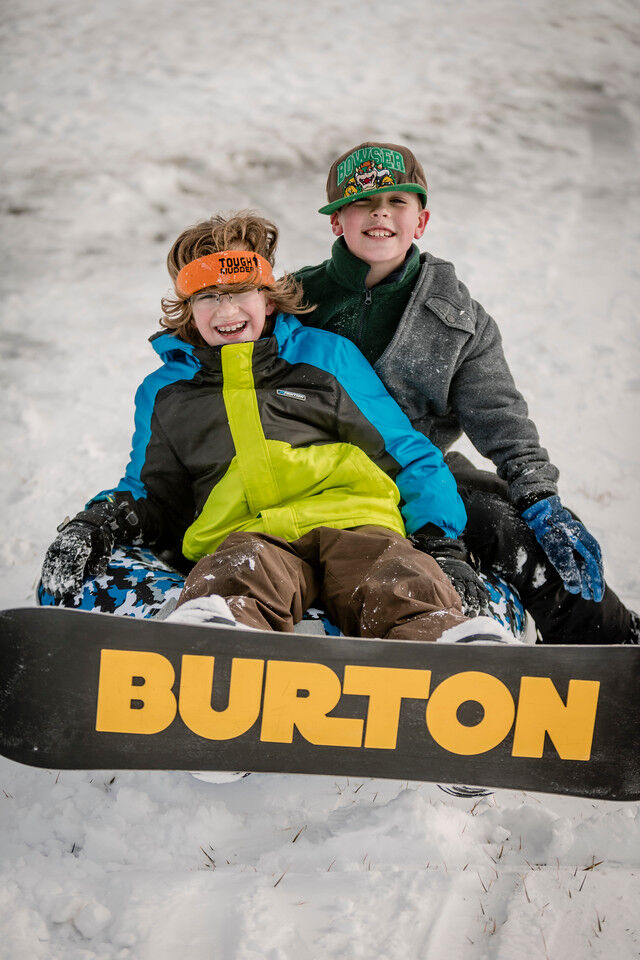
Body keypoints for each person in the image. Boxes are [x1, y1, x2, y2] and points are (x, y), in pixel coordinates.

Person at [40, 212, 512, 644]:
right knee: (235, 574)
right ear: (187, 308)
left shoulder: (323, 356)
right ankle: (213, 638)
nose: (227, 312)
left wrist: (441, 542)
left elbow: (403, 451)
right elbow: (151, 489)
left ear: (267, 299)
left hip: (352, 516)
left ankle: (447, 645)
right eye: (208, 297)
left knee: (396, 575)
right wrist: (98, 520)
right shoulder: (168, 391)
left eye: (241, 292)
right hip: (247, 533)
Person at [294, 141, 638, 644]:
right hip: (316, 471)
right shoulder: (294, 302)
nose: (380, 214)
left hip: (421, 472)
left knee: (515, 529)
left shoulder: (457, 320)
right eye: (363, 204)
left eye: (397, 203)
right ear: (336, 221)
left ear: (421, 221)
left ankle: (615, 649)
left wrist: (539, 495)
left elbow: (500, 416)